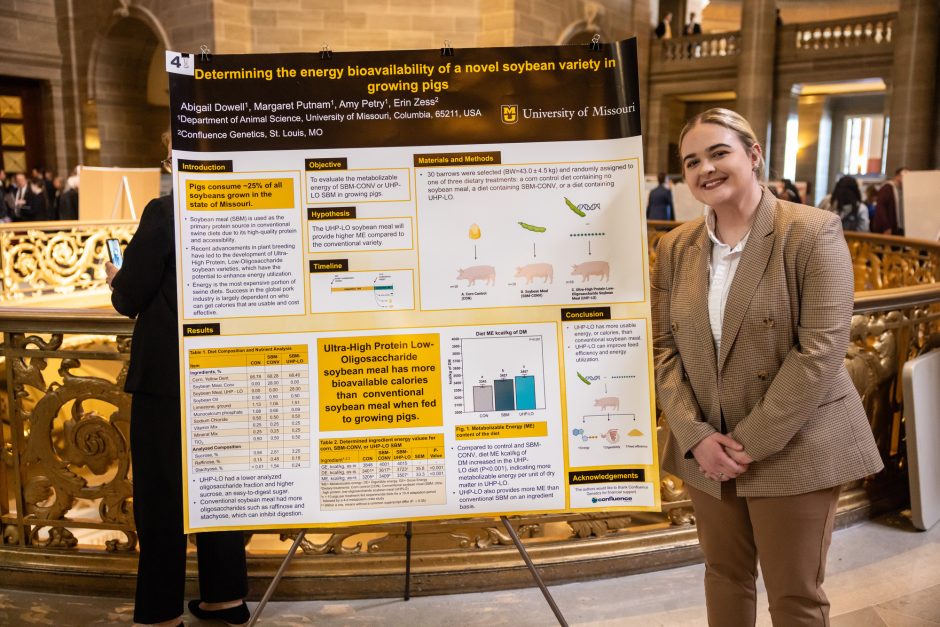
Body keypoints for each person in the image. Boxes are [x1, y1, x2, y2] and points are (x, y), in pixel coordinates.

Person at [652, 108, 883, 626]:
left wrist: (748, 443)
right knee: (724, 580)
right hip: (708, 450)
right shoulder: (675, 247)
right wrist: (696, 436)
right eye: (692, 161)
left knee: (795, 597)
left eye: (718, 153)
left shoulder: (811, 231)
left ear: (753, 155)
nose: (705, 169)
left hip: (794, 443)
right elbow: (664, 348)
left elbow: (820, 350)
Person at [106, 134, 249, 627]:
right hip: (232, 371)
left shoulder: (166, 212)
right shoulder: (249, 209)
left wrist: (115, 274)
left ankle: (161, 611)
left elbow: (129, 297)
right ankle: (225, 598)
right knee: (220, 486)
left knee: (163, 494)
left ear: (177, 160)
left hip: (168, 378)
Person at [871, 167, 907, 235]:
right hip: (889, 229)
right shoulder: (887, 188)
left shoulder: (903, 189)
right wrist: (886, 226)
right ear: (897, 176)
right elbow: (881, 208)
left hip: (900, 228)